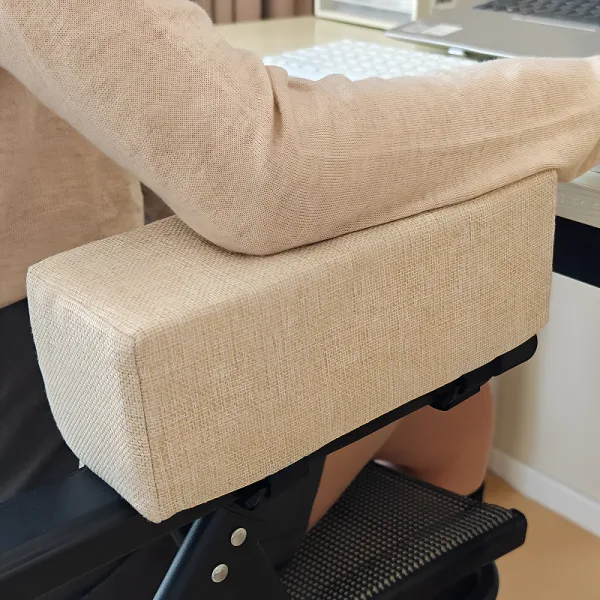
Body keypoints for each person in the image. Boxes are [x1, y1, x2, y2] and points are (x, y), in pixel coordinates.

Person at [2, 0, 600, 596]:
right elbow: (259, 167)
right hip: (58, 501)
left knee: (450, 397)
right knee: (451, 371)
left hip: (35, 402)